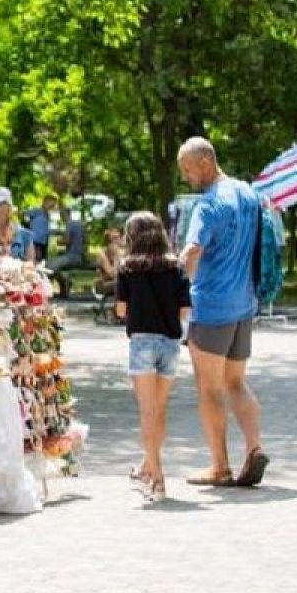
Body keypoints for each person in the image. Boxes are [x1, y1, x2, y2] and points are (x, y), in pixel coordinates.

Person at [177, 136, 268, 487]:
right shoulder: (247, 193)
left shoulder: (209, 204)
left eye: (187, 169)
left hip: (211, 307)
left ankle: (220, 466)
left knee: (209, 388)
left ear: (205, 162)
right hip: (243, 305)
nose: (186, 177)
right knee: (236, 382)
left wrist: (169, 286)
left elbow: (192, 251)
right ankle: (255, 447)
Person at [115, 212, 192, 502]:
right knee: (159, 410)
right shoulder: (176, 267)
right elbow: (185, 310)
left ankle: (157, 478)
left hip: (142, 342)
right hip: (170, 343)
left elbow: (121, 311)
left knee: (147, 411)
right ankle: (148, 467)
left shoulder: (127, 268)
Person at [25, 195, 57, 262]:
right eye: (51, 204)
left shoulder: (47, 215)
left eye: (53, 205)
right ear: (45, 202)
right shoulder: (37, 211)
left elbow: (46, 228)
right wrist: (28, 226)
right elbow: (25, 214)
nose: (53, 207)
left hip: (44, 241)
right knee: (36, 258)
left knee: (42, 260)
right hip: (36, 240)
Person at [95, 227, 124, 296]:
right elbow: (112, 274)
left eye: (119, 237)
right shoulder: (102, 254)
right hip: (103, 285)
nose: (118, 240)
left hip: (116, 282)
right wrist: (116, 257)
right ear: (108, 242)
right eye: (115, 238)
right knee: (122, 284)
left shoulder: (122, 252)